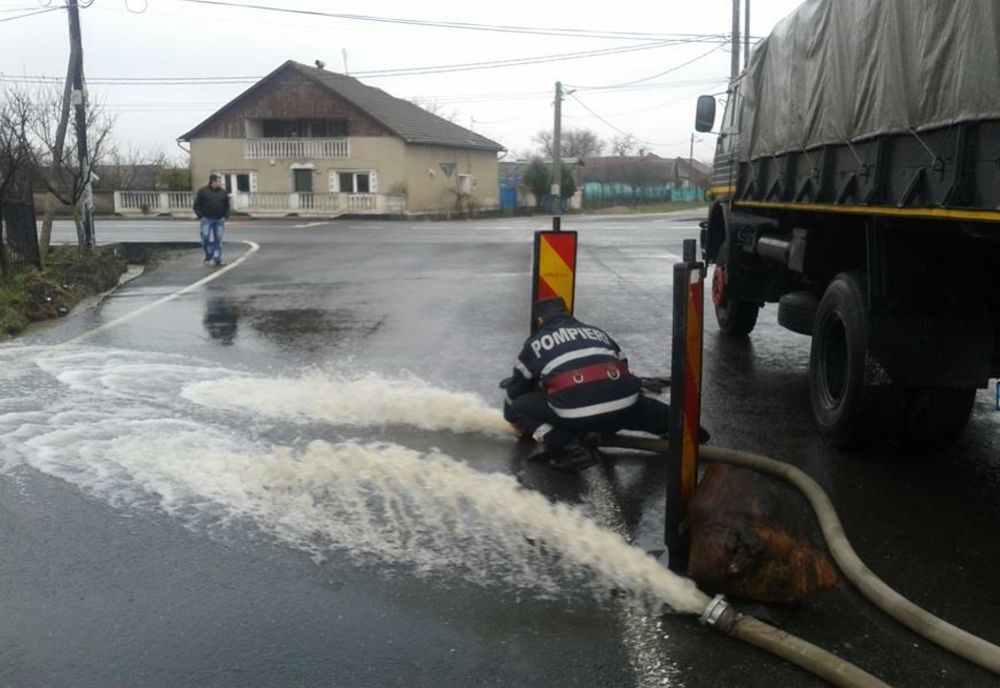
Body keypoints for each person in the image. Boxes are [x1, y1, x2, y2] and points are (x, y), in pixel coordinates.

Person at [503, 297, 706, 472]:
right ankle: (693, 433)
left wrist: (522, 413)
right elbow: (623, 365)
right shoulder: (596, 332)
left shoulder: (535, 343)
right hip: (623, 408)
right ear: (567, 313)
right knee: (647, 411)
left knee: (516, 408)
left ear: (540, 320)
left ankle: (569, 450)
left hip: (577, 418)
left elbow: (515, 391)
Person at [193, 174, 230, 266]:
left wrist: (225, 216)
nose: (220, 183)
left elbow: (227, 206)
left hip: (219, 220)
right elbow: (196, 205)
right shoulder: (203, 191)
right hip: (207, 219)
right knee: (205, 239)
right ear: (213, 182)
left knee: (218, 240)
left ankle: (217, 259)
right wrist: (200, 216)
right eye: (219, 181)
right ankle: (209, 255)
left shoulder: (223, 192)